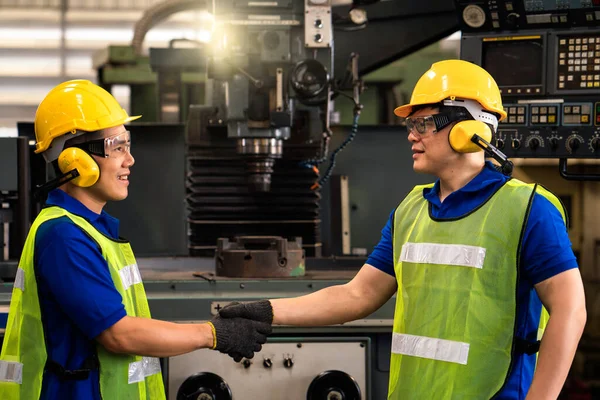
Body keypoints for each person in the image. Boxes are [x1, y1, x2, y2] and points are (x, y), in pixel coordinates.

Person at [218, 60, 588, 399]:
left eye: (422, 124)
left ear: (468, 128)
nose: (411, 136)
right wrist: (267, 311)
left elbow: (570, 309)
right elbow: (357, 296)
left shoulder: (528, 209)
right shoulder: (411, 209)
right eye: (411, 125)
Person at [0, 80, 271, 400]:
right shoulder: (64, 236)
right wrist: (212, 334)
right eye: (117, 147)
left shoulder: (91, 229)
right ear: (75, 160)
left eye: (128, 144)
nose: (130, 160)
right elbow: (119, 335)